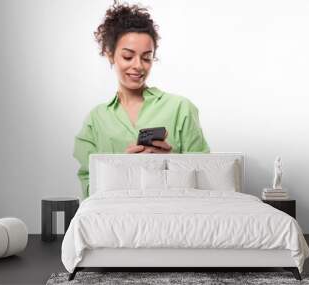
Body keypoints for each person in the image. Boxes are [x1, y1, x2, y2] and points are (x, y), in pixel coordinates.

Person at [74, 1, 210, 199]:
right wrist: (123, 170)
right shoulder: (95, 120)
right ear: (110, 55)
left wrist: (172, 164)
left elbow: (206, 177)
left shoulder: (181, 108)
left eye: (146, 58)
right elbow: (89, 190)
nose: (138, 66)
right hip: (116, 218)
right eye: (128, 57)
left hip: (174, 213)